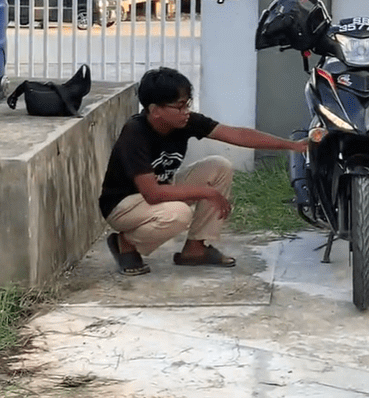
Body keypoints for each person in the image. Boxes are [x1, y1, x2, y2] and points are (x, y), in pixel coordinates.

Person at [99, 66, 307, 276]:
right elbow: (152, 194)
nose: (186, 111)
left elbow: (237, 135)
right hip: (124, 206)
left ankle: (195, 249)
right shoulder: (135, 133)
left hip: (160, 191)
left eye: (187, 103)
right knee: (179, 214)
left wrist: (293, 145)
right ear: (155, 110)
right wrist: (206, 192)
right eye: (179, 106)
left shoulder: (186, 122)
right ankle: (124, 242)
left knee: (219, 166)